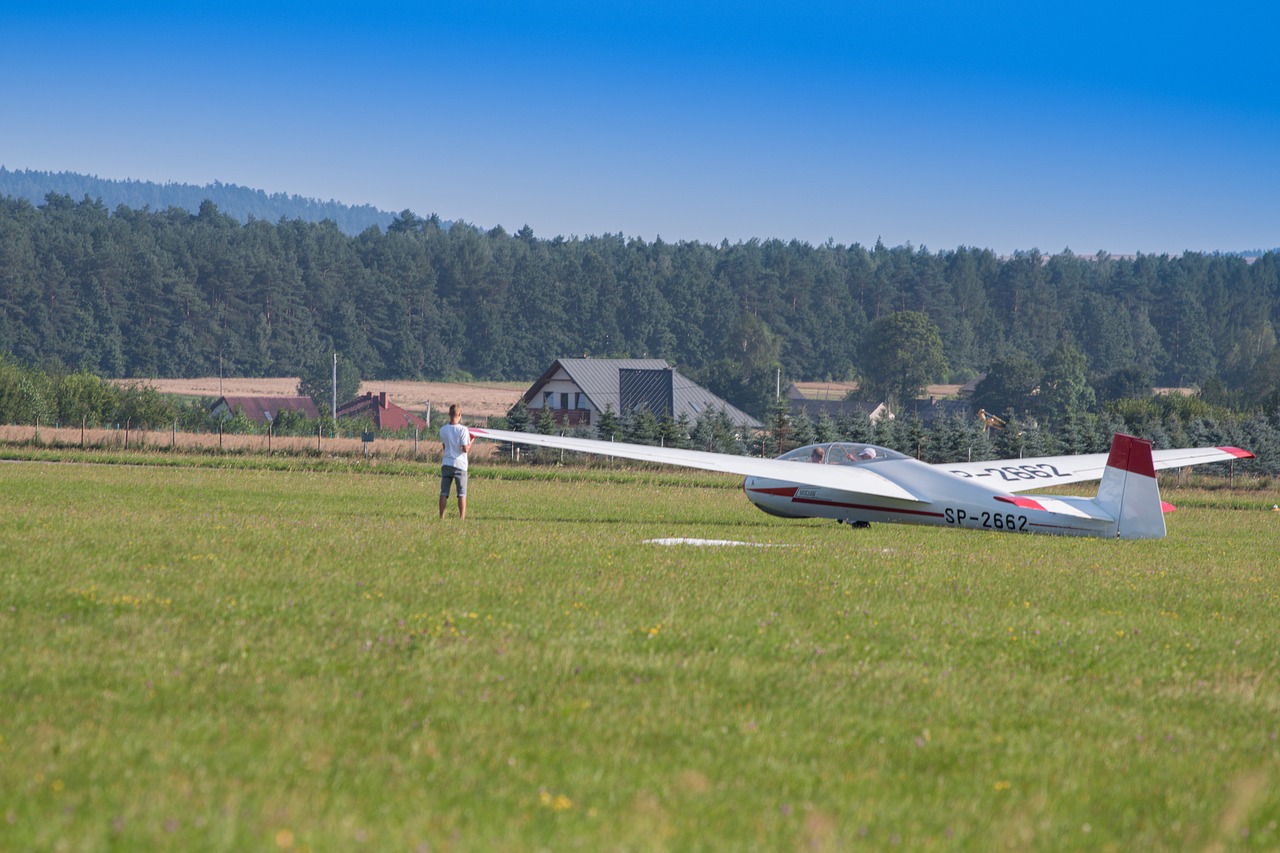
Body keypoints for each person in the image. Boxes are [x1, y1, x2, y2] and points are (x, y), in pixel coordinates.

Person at [439, 404, 473, 520]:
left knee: (444, 492)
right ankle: (462, 517)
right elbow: (465, 449)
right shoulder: (463, 430)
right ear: (459, 415)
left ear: (449, 414)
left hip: (447, 463)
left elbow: (444, 447)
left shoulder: (443, 430)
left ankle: (441, 516)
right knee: (461, 493)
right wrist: (472, 440)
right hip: (460, 465)